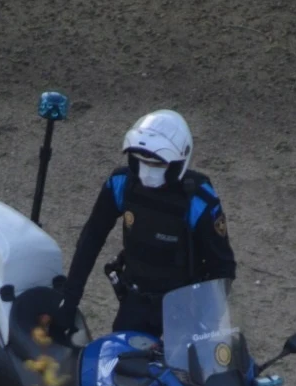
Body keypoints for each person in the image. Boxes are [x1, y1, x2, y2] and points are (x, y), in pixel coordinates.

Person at [60, 109, 237, 338]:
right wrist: (70, 299)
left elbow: (222, 268)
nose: (147, 173)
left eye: (157, 165)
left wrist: (206, 324)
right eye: (141, 162)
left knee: (186, 373)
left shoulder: (198, 200)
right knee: (121, 367)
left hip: (186, 309)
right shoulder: (121, 184)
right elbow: (91, 238)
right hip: (136, 301)